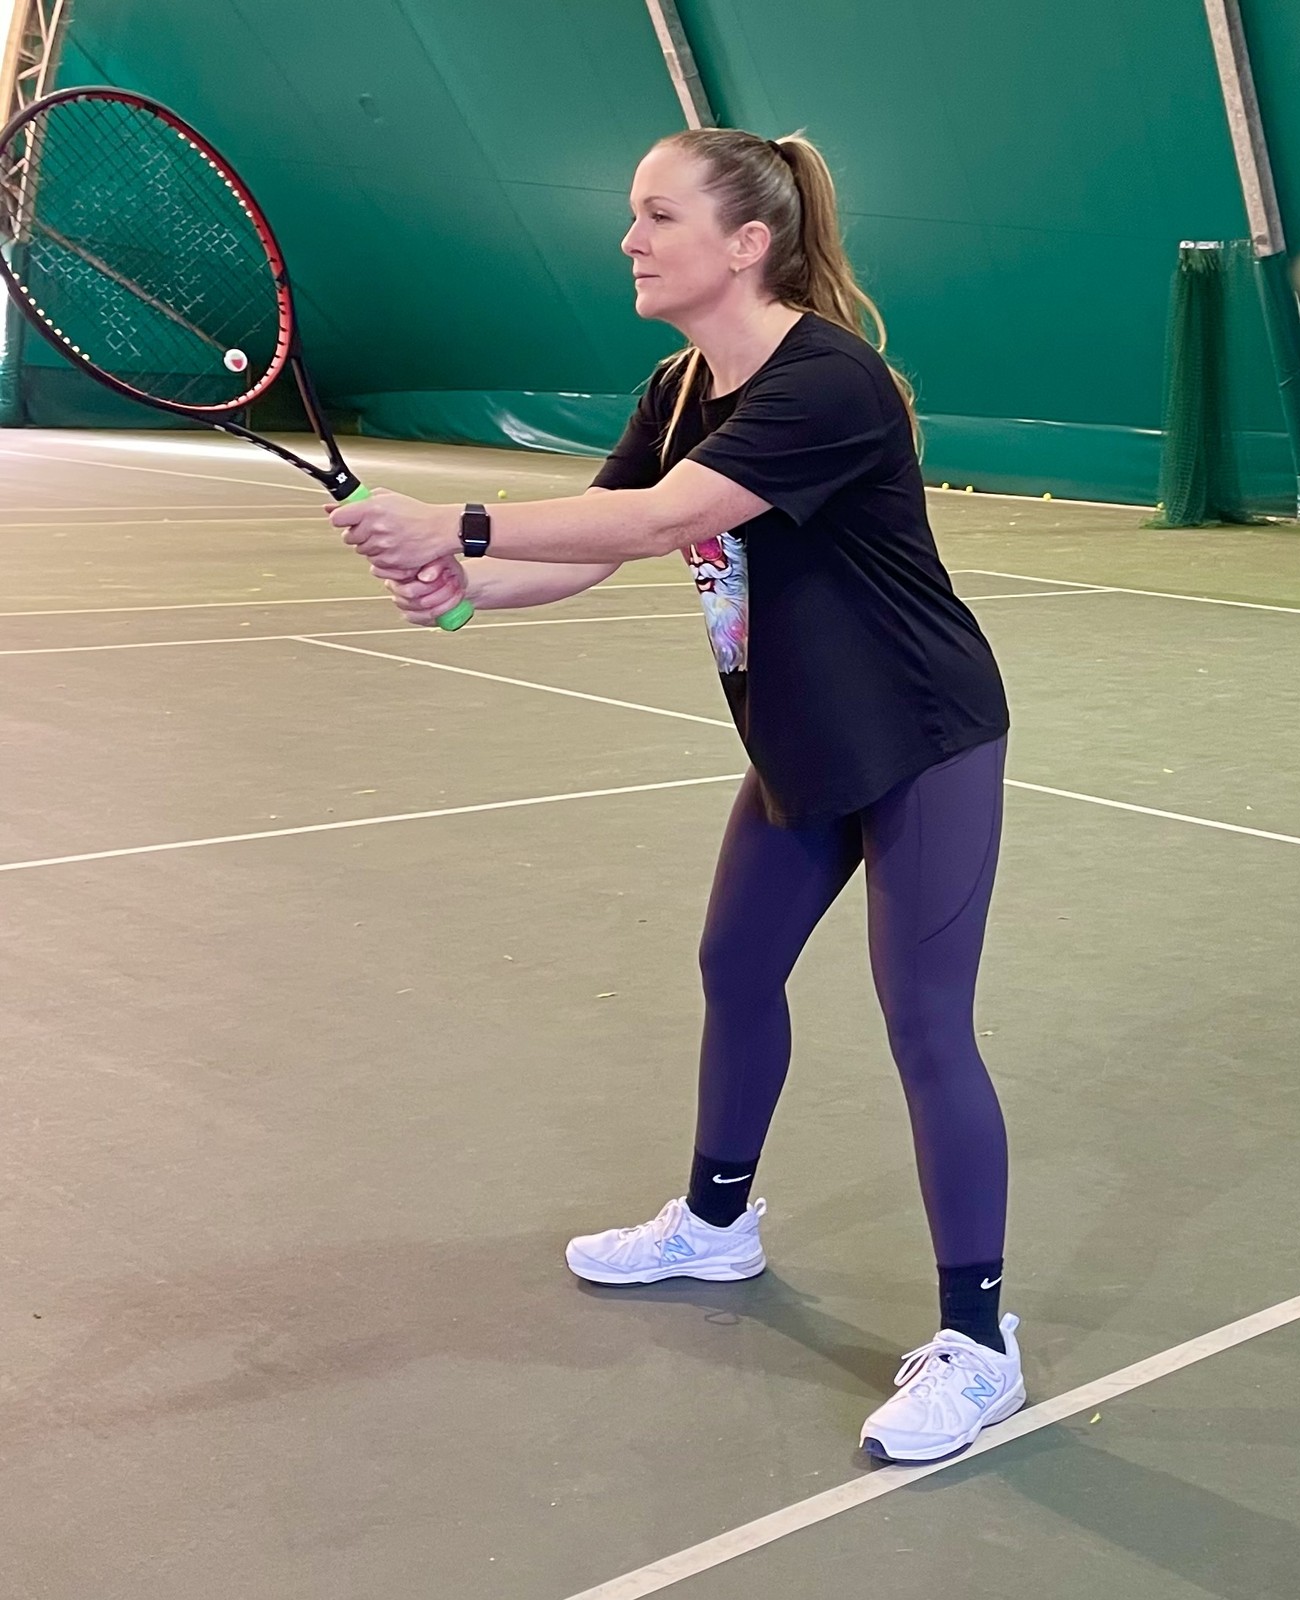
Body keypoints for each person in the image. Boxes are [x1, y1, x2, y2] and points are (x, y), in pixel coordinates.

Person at [328, 128, 1023, 1464]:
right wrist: (464, 589)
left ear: (746, 243)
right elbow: (597, 542)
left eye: (658, 216)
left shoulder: (828, 380)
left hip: (923, 737)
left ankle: (980, 1346)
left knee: (927, 1026)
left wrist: (455, 522)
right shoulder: (681, 382)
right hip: (800, 740)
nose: (630, 240)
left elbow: (663, 522)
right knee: (735, 965)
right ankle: (715, 1224)